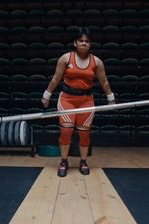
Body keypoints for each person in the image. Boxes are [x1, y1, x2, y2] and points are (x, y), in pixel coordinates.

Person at [41, 27, 115, 177]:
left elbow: (104, 82)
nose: (84, 43)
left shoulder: (97, 62)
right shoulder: (65, 58)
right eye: (81, 41)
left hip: (86, 101)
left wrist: (111, 98)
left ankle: (83, 161)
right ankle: (64, 161)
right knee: (66, 130)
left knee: (84, 134)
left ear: (90, 44)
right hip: (67, 99)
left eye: (87, 41)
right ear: (75, 43)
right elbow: (56, 78)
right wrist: (46, 95)